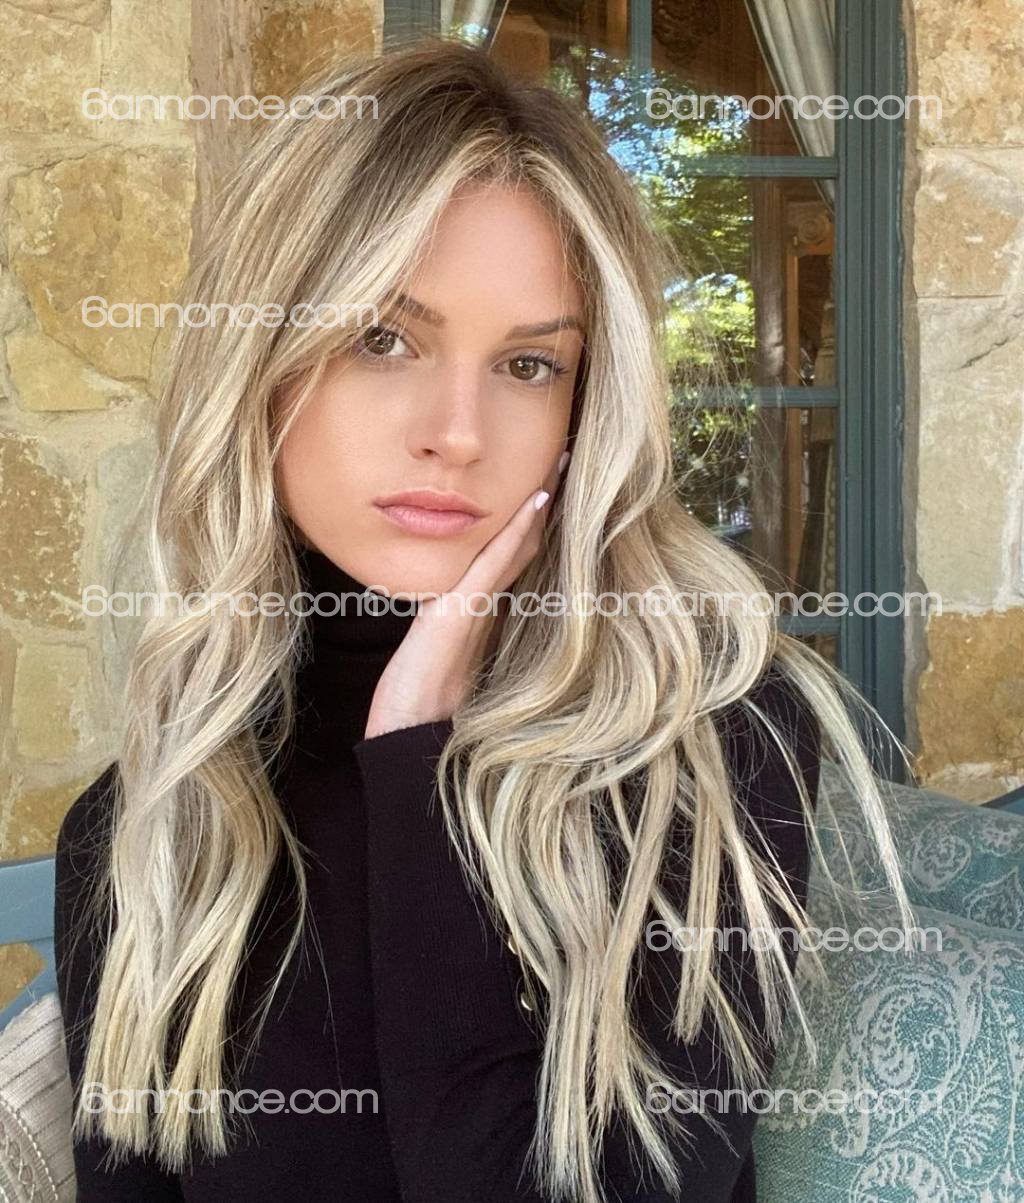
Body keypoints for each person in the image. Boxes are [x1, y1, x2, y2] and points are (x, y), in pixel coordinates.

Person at [54, 37, 912, 1203]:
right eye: (382, 338)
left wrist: (414, 756)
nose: (456, 432)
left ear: (584, 406)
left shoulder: (705, 743)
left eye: (527, 365)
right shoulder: (151, 830)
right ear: (255, 361)